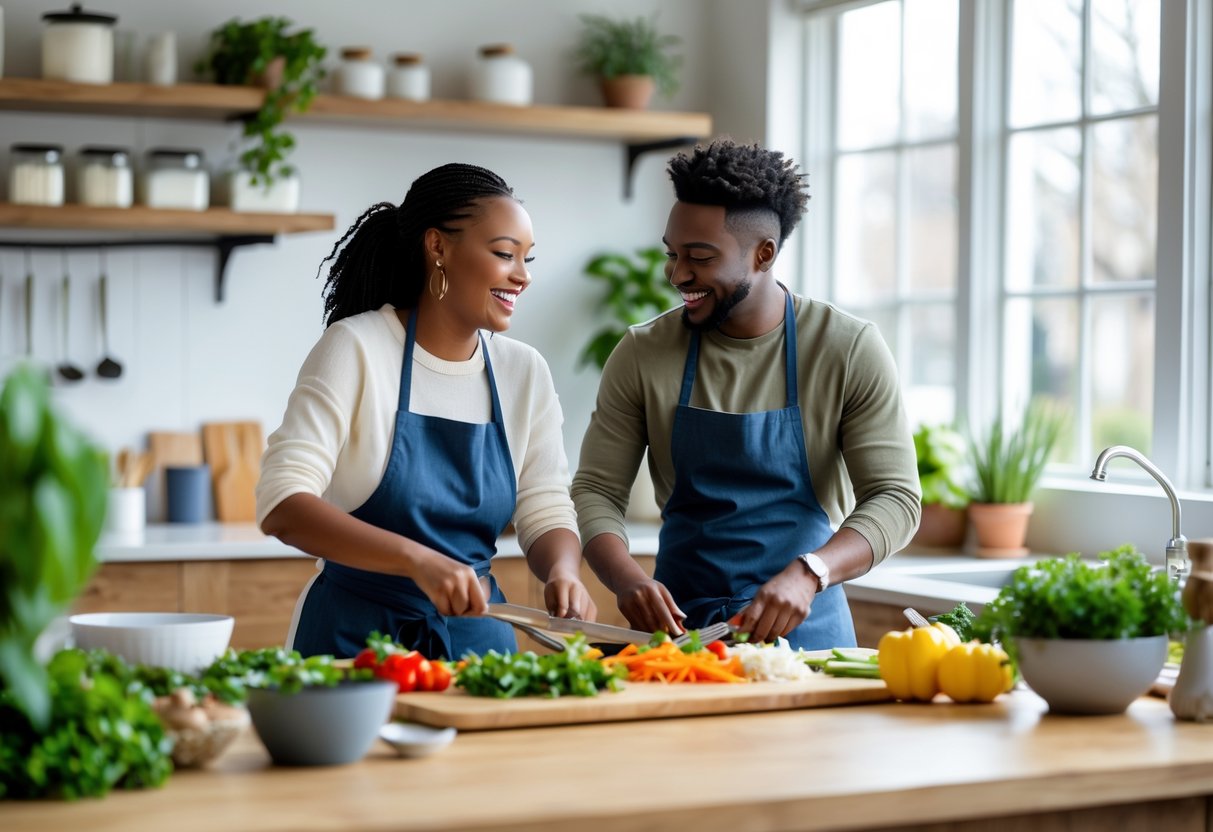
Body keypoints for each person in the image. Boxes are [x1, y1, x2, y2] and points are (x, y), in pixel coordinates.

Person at [571, 139, 921, 650]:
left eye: (700, 257)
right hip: (679, 639)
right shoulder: (644, 352)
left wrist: (811, 572)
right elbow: (597, 490)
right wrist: (627, 580)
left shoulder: (846, 348)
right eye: (673, 254)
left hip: (811, 644)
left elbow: (897, 498)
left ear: (764, 254)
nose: (677, 274)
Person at [257, 163, 595, 661]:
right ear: (437, 247)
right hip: (353, 648)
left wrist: (564, 570)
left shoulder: (523, 371)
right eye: (505, 254)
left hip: (478, 648)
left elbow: (544, 506)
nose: (522, 276)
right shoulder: (356, 348)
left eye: (527, 258)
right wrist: (417, 561)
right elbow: (282, 504)